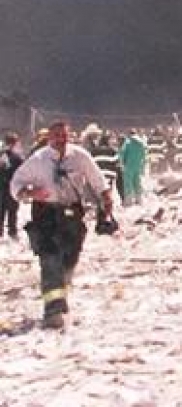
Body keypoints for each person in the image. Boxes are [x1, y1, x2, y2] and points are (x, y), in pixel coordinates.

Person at [9, 120, 118, 329]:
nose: (60, 139)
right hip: (46, 215)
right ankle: (53, 310)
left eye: (64, 135)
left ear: (69, 136)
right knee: (50, 260)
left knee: (70, 257)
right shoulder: (38, 160)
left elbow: (97, 178)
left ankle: (61, 290)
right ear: (49, 138)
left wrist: (106, 198)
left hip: (72, 214)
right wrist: (31, 193)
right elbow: (16, 184)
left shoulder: (79, 156)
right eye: (56, 136)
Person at [1, 132, 25, 238]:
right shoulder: (18, 157)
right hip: (12, 187)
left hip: (4, 186)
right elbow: (22, 172)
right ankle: (12, 231)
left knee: (3, 210)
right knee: (12, 211)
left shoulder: (2, 154)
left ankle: (7, 231)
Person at [118, 129, 148, 206]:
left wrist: (122, 164)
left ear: (129, 135)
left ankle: (128, 201)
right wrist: (143, 166)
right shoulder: (141, 143)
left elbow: (122, 153)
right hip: (138, 166)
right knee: (137, 183)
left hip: (129, 166)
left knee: (128, 184)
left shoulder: (127, 143)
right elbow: (144, 155)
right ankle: (139, 200)